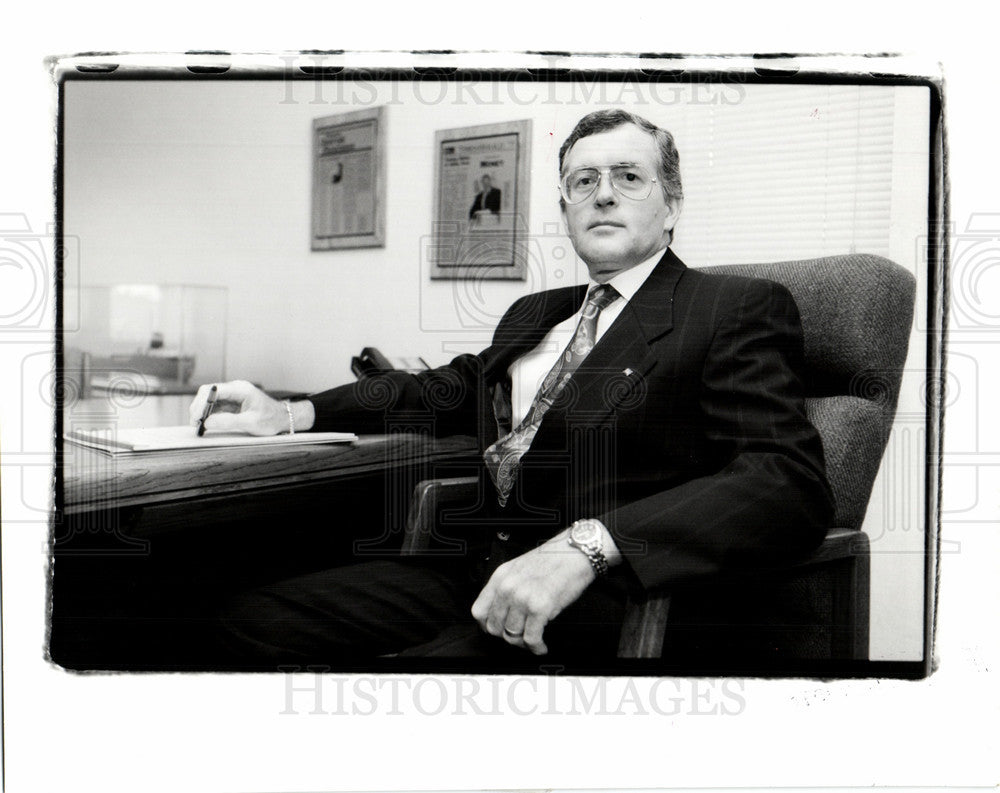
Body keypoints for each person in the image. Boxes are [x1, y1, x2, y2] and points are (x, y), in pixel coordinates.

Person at [192, 110, 834, 667]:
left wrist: (590, 548)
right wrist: (293, 411)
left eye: (628, 178)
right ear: (566, 210)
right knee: (246, 619)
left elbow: (785, 480)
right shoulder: (538, 312)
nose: (603, 195)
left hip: (606, 595)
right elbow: (445, 389)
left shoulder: (732, 307)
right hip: (474, 569)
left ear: (672, 207)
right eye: (584, 182)